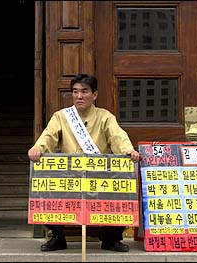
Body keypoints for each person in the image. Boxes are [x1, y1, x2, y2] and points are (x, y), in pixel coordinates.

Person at [28, 73, 140, 252]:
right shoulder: (62, 116)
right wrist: (38, 149)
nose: (79, 96)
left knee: (119, 190)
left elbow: (117, 136)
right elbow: (48, 136)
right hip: (69, 174)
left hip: (99, 174)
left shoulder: (105, 117)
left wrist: (128, 151)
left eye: (84, 92)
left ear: (94, 95)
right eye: (75, 92)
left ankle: (111, 238)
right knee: (48, 189)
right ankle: (57, 236)